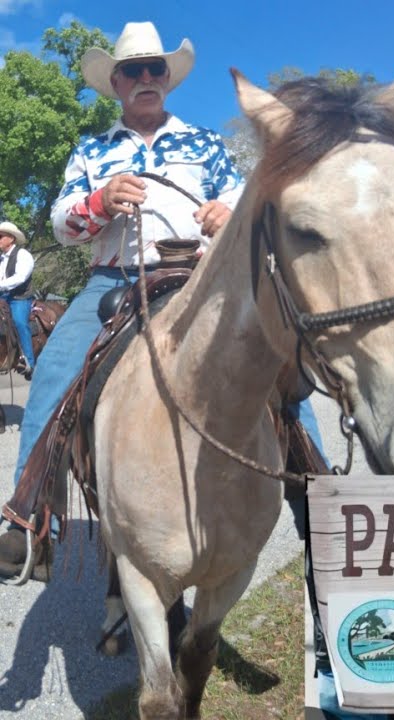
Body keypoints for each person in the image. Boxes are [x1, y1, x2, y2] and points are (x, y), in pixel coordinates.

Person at [0, 21, 326, 578]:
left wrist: (228, 216)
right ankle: (33, 516)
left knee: (279, 360)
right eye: (133, 71)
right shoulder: (91, 149)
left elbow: (246, 204)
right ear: (118, 83)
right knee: (54, 369)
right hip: (113, 280)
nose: (145, 78)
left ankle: (320, 506)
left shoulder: (206, 144)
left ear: (167, 80)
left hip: (200, 277)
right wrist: (99, 201)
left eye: (155, 69)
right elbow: (60, 224)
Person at [0, 221, 36, 379]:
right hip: (4, 295)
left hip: (19, 297)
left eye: (1, 236)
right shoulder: (1, 259)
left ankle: (28, 360)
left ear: (11, 238)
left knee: (19, 322)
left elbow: (20, 277)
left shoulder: (23, 255)